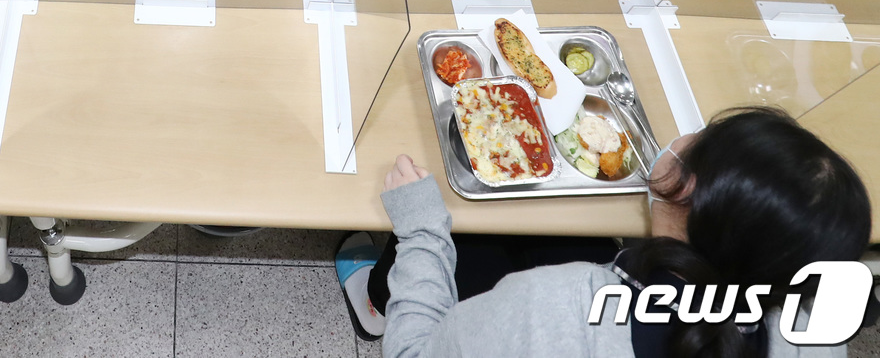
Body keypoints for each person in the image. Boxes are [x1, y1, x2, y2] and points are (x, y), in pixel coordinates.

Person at [353, 107, 869, 356]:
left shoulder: (556, 306)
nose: (688, 136)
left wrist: (422, 230)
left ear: (685, 192)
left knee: (457, 244)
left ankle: (376, 297)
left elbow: (413, 355)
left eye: (707, 137)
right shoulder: (817, 335)